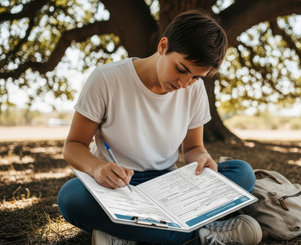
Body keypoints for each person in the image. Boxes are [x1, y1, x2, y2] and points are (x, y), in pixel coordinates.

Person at [57, 10, 262, 245]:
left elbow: (193, 148)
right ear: (163, 46)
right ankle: (202, 235)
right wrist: (97, 168)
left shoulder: (194, 91)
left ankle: (127, 235)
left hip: (169, 187)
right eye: (182, 69)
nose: (184, 84)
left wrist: (202, 158)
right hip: (119, 187)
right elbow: (73, 146)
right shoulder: (106, 79)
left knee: (242, 173)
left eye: (196, 77)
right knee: (71, 197)